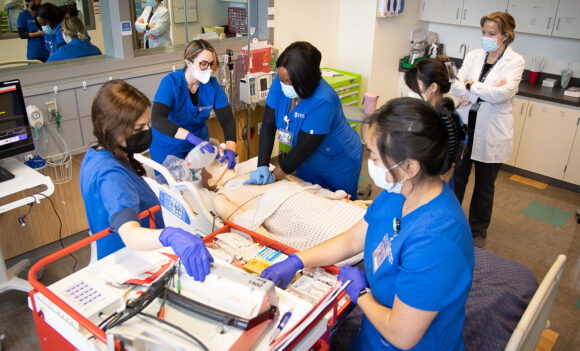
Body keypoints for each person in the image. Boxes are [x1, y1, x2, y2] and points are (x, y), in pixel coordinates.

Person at [260, 98, 474, 350]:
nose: (368, 162)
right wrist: (298, 261)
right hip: (373, 337)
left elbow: (402, 335)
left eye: (374, 156)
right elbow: (353, 239)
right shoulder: (398, 193)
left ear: (410, 166)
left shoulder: (437, 239)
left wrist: (361, 294)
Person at [79, 79, 213, 281]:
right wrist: (168, 235)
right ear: (109, 128)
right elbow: (130, 234)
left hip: (118, 253)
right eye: (138, 128)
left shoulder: (97, 153)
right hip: (128, 262)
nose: (146, 132)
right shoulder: (112, 176)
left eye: (147, 125)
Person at [245, 41, 363, 200]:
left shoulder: (324, 100)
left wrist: (273, 177)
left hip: (338, 161)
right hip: (306, 160)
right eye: (282, 80)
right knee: (308, 200)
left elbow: (304, 147)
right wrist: (262, 166)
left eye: (289, 82)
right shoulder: (280, 84)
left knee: (343, 205)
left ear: (306, 79)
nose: (284, 85)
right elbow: (268, 125)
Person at [452, 12, 524, 248]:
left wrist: (471, 87)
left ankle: (477, 232)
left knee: (484, 186)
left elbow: (503, 94)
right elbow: (456, 86)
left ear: (506, 35)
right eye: (484, 33)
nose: (486, 37)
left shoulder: (515, 62)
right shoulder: (474, 56)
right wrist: (481, 90)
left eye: (492, 34)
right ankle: (452, 223)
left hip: (491, 132)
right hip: (466, 128)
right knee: (457, 179)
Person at [150, 39, 237, 169]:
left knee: (202, 184)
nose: (208, 68)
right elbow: (157, 119)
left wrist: (231, 149)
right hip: (168, 146)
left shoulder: (212, 86)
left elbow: (227, 120)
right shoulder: (170, 83)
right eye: (203, 64)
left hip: (198, 146)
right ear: (189, 62)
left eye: (211, 64)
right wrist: (190, 137)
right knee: (177, 186)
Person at [405, 58, 461, 187]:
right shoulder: (423, 112)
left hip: (434, 184)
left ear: (433, 87)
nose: (413, 91)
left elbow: (450, 164)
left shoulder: (447, 120)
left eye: (416, 86)